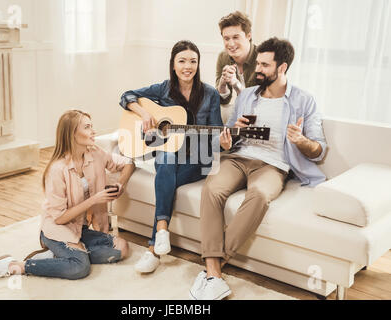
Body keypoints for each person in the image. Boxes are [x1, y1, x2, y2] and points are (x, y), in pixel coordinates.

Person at [190, 37, 328, 300]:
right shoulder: (248, 96)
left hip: (273, 166)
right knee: (212, 188)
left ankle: (213, 268)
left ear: (282, 67)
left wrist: (301, 141)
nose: (258, 69)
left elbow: (318, 149)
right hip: (238, 158)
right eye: (259, 63)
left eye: (265, 65)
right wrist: (231, 135)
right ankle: (214, 274)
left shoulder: (304, 101)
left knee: (259, 196)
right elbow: (229, 134)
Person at [0, 110, 135, 283]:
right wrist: (94, 200)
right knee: (80, 267)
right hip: (57, 228)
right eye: (87, 127)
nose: (93, 131)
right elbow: (58, 218)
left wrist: (120, 184)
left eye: (91, 126)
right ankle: (15, 266)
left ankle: (58, 254)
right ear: (72, 133)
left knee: (121, 249)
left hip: (81, 229)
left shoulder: (95, 153)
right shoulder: (57, 169)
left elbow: (128, 163)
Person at [119, 40, 223, 274]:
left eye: (193, 61)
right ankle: (161, 235)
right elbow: (126, 96)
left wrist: (224, 142)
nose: (188, 66)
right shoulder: (164, 89)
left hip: (199, 159)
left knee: (165, 169)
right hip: (170, 154)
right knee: (166, 158)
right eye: (182, 61)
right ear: (173, 65)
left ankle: (155, 247)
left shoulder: (210, 94)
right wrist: (144, 113)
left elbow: (217, 135)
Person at [216, 11, 258, 123]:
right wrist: (222, 85)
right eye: (226, 38)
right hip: (240, 114)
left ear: (248, 36)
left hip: (260, 115)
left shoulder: (261, 58)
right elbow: (223, 101)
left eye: (236, 37)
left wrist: (235, 84)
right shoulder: (223, 57)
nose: (231, 44)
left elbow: (257, 102)